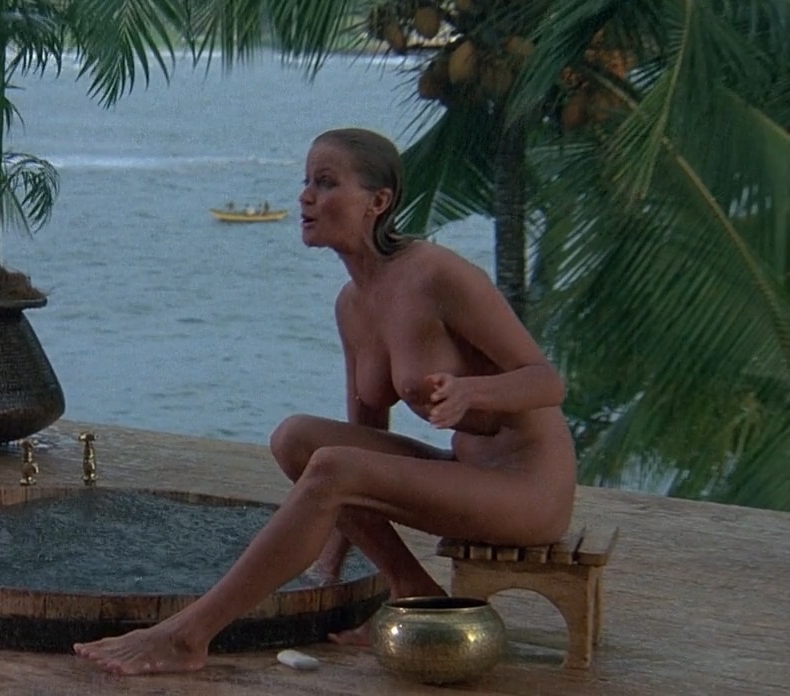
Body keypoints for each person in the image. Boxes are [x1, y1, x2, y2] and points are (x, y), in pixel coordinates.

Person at [73, 127, 577, 676]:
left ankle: (188, 635)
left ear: (378, 202)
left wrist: (470, 391)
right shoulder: (351, 305)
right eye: (307, 182)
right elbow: (366, 435)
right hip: (468, 474)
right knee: (297, 439)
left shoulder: (438, 274)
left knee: (334, 466)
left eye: (327, 183)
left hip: (529, 490)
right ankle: (410, 587)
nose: (306, 197)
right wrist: (332, 562)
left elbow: (547, 382)